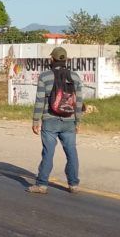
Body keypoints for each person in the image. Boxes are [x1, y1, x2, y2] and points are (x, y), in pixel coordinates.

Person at [28, 47, 84, 194]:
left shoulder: (45, 76)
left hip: (50, 120)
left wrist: (35, 121)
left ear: (52, 59)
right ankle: (73, 184)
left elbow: (40, 100)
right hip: (69, 121)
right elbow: (78, 102)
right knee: (71, 152)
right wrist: (78, 121)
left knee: (48, 153)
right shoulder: (75, 77)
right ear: (66, 60)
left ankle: (42, 185)